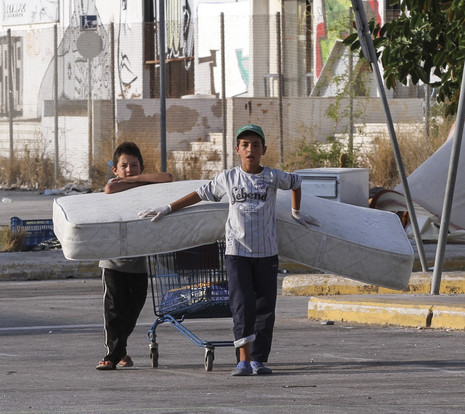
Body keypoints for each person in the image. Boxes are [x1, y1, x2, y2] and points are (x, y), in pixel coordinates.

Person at [139, 124, 319, 376]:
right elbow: (200, 193)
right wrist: (168, 208)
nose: (250, 150)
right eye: (245, 145)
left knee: (265, 308)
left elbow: (296, 182)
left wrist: (296, 210)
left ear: (263, 149)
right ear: (237, 149)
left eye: (256, 145)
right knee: (241, 306)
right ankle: (243, 360)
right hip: (237, 254)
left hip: (266, 253)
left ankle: (258, 359)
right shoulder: (229, 178)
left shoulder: (271, 176)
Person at [96, 141, 173, 370]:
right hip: (113, 261)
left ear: (142, 167)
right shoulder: (114, 184)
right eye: (124, 166)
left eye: (134, 165)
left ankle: (121, 352)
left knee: (132, 312)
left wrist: (137, 180)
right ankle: (111, 356)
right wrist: (132, 181)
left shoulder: (146, 186)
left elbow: (167, 177)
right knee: (113, 312)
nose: (129, 170)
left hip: (139, 263)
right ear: (115, 170)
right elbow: (110, 189)